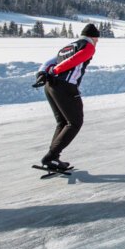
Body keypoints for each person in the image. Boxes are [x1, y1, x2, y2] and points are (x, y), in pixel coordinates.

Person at [32, 23, 100, 170]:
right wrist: (56, 70)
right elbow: (76, 59)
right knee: (75, 122)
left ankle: (53, 158)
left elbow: (49, 61)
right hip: (65, 87)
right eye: (97, 39)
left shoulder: (68, 46)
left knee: (63, 122)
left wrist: (42, 73)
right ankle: (51, 156)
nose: (97, 42)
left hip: (50, 86)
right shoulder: (88, 46)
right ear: (93, 37)